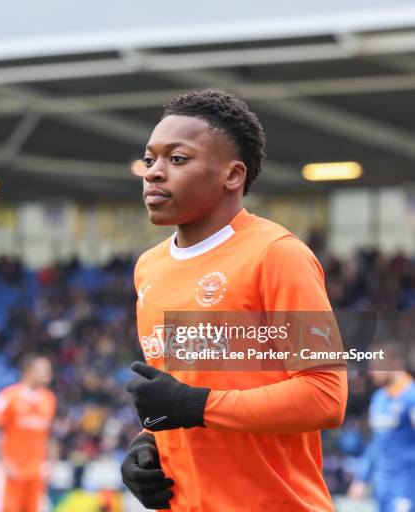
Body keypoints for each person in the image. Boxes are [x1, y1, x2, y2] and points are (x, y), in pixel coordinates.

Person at [121, 89, 348, 511]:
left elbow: (325, 396)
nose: (153, 173)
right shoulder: (148, 267)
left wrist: (196, 406)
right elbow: (178, 393)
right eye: (150, 160)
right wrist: (147, 442)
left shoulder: (277, 254)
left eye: (178, 159)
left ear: (232, 175)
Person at [348, 342, 415, 512]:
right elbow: (376, 442)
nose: (371, 373)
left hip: (407, 485)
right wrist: (362, 479)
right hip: (382, 485)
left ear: (393, 365)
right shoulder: (379, 398)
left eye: (377, 366)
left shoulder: (411, 397)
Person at [0, 354, 56, 512]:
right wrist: (5, 463)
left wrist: (52, 463)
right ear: (28, 371)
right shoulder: (7, 397)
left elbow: (49, 435)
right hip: (11, 472)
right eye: (44, 369)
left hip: (36, 473)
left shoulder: (49, 399)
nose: (49, 373)